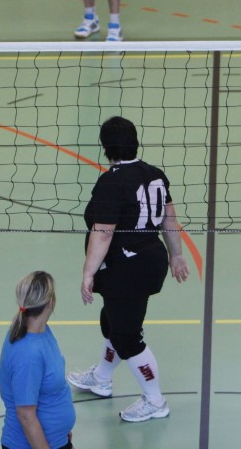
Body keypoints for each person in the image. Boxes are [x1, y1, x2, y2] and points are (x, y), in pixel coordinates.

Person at [66, 116, 190, 423]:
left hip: (127, 268)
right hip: (149, 262)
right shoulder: (155, 174)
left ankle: (155, 400)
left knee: (127, 336)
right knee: (112, 321)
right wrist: (176, 255)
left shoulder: (111, 181)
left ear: (106, 147)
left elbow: (103, 233)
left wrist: (88, 273)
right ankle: (102, 378)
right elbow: (169, 219)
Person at [0, 270, 76, 449]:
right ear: (50, 302)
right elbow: (26, 416)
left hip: (56, 440)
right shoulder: (27, 353)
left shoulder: (42, 331)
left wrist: (62, 431)